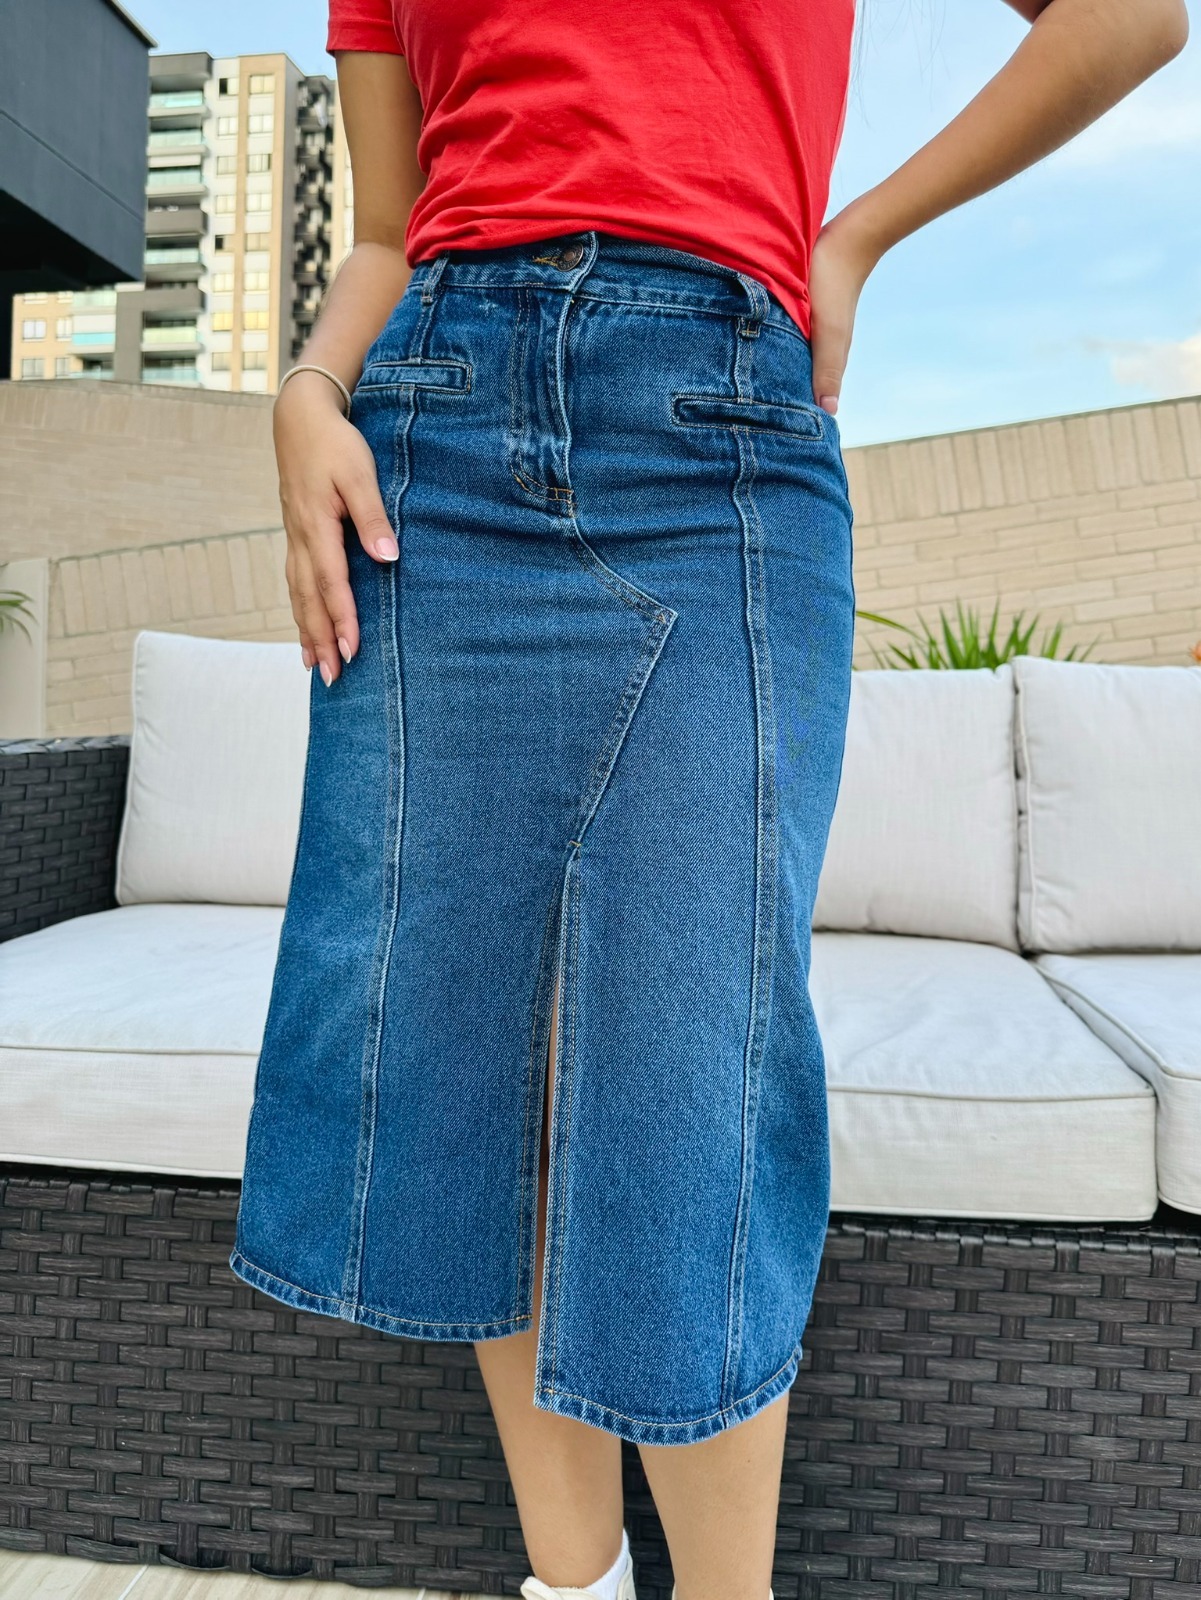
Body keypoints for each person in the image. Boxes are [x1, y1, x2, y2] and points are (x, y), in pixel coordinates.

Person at [229, 3, 1189, 1599]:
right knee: (479, 1060)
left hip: (721, 435)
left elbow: (1131, 18)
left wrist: (853, 238)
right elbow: (390, 226)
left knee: (691, 1067)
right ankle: (573, 1585)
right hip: (432, 440)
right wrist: (308, 389)